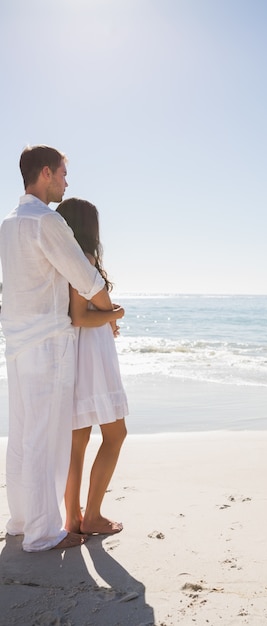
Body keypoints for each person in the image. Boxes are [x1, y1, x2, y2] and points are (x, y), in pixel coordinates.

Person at [0, 145, 125, 552]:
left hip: (17, 342)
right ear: (46, 173)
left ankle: (21, 521)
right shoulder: (46, 221)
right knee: (43, 438)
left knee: (21, 433)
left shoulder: (8, 223)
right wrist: (113, 313)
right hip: (47, 342)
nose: (66, 183)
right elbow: (86, 278)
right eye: (63, 174)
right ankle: (40, 533)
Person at [56, 198, 128, 536]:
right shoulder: (82, 259)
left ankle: (73, 518)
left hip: (80, 354)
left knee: (79, 440)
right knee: (115, 434)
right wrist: (115, 315)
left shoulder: (69, 259)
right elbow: (80, 316)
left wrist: (107, 315)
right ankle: (93, 515)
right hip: (92, 358)